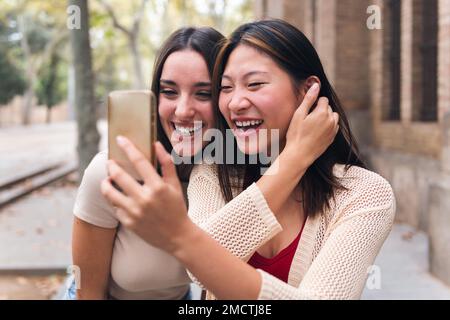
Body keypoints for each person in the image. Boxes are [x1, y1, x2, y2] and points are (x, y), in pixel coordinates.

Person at [102, 19, 396, 300]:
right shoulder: (212, 172)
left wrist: (293, 159)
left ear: (308, 90)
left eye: (254, 84)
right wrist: (293, 161)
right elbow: (201, 271)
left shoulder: (365, 194)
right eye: (226, 88)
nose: (235, 102)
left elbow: (200, 253)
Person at [65, 27, 225, 300]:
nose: (183, 111)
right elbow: (88, 293)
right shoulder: (110, 172)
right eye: (169, 92)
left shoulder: (232, 175)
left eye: (203, 93)